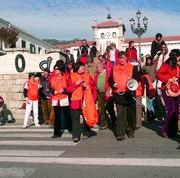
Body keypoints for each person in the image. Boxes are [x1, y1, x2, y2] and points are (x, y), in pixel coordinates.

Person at [109, 51, 141, 140]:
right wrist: (113, 84)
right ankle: (120, 133)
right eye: (119, 58)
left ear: (126, 58)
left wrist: (132, 81)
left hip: (129, 94)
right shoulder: (114, 68)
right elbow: (110, 79)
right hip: (119, 94)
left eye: (123, 58)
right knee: (120, 115)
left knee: (131, 115)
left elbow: (138, 77)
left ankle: (131, 130)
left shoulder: (132, 67)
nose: (121, 60)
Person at [67, 62, 98, 142]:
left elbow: (93, 87)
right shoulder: (71, 76)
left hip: (86, 100)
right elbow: (68, 89)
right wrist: (76, 84)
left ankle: (86, 132)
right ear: (77, 68)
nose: (83, 68)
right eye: (81, 67)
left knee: (86, 116)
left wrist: (87, 87)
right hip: (75, 100)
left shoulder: (87, 76)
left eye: (83, 66)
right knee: (75, 118)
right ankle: (76, 135)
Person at [156, 49, 180, 138]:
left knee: (176, 111)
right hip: (166, 89)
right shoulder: (167, 63)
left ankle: (173, 131)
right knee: (171, 110)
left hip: (176, 90)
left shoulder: (178, 66)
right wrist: (168, 79)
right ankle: (164, 130)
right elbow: (158, 74)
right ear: (177, 56)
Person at [94, 63, 116, 129]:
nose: (96, 68)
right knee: (101, 109)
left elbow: (111, 82)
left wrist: (110, 90)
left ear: (101, 67)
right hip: (99, 93)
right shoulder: (96, 76)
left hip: (107, 93)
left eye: (97, 67)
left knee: (109, 108)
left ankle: (114, 120)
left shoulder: (108, 73)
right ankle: (103, 124)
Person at [50, 63, 69, 138]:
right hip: (56, 99)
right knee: (57, 116)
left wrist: (63, 90)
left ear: (60, 70)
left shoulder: (65, 77)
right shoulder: (53, 78)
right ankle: (56, 133)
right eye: (55, 69)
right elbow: (50, 88)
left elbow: (68, 87)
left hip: (64, 98)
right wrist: (53, 91)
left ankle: (70, 127)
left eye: (57, 69)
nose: (55, 70)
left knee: (66, 114)